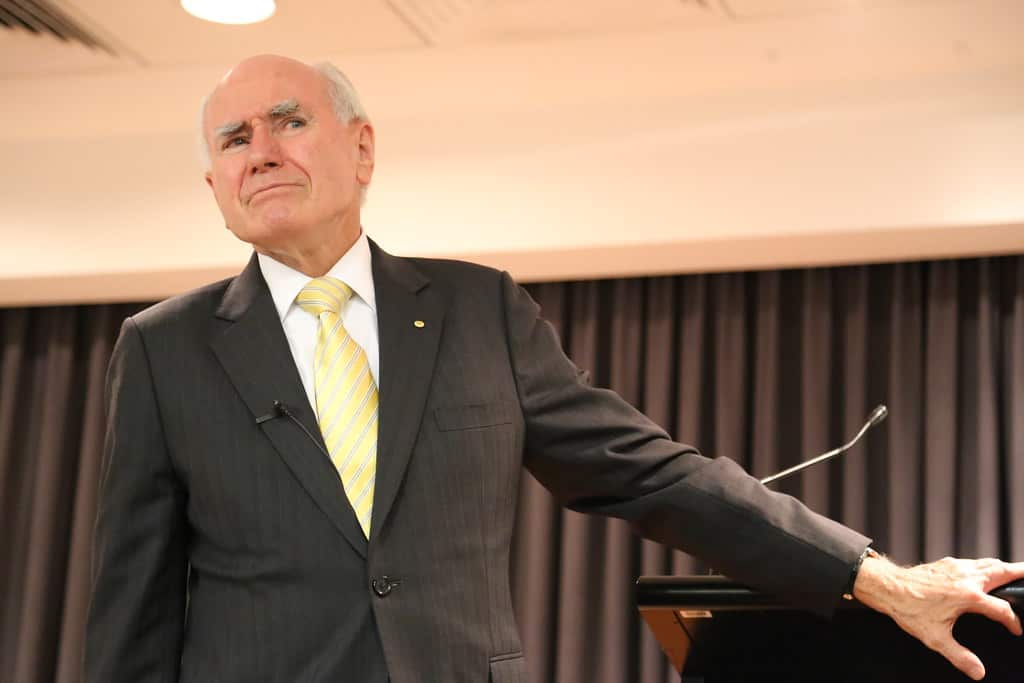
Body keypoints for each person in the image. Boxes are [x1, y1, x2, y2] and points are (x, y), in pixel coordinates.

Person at [84, 54, 1024, 683]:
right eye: (233, 140)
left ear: (361, 148)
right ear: (216, 188)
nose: (262, 152)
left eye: (287, 122)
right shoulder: (164, 348)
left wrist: (880, 576)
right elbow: (130, 607)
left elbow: (653, 472)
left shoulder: (477, 309)